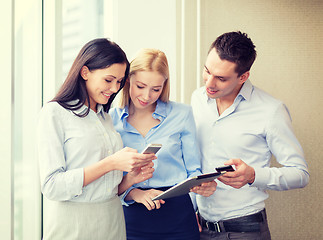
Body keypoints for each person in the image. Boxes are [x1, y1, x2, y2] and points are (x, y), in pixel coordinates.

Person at [191, 31, 310, 240]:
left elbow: (300, 174)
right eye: (207, 70)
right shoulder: (197, 99)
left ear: (243, 77)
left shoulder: (271, 111)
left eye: (220, 78)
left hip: (244, 231)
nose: (209, 83)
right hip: (199, 227)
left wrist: (253, 175)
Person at [37, 38, 157, 240]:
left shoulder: (105, 118)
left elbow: (105, 189)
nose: (114, 88)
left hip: (112, 221)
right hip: (73, 225)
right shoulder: (54, 113)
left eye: (119, 82)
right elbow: (52, 186)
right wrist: (110, 163)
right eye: (108, 80)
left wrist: (129, 180)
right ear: (85, 72)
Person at [109, 48, 217, 240]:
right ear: (127, 81)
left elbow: (193, 169)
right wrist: (134, 194)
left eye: (156, 89)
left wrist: (197, 197)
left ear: (164, 86)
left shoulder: (182, 114)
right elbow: (109, 180)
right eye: (140, 86)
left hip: (179, 215)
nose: (147, 95)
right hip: (132, 216)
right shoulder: (111, 121)